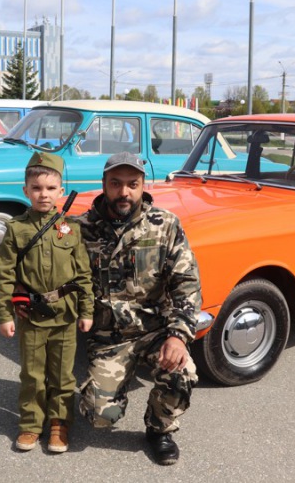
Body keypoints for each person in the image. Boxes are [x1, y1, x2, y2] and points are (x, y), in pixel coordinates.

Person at [76, 152, 202, 466]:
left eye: (132, 184)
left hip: (155, 331)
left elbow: (187, 284)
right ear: (103, 184)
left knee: (182, 373)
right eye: (116, 183)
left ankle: (159, 430)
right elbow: (49, 262)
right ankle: (104, 391)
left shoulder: (165, 225)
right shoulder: (80, 228)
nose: (124, 192)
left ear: (143, 185)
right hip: (108, 336)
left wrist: (178, 336)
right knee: (99, 415)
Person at [0, 151, 94, 454]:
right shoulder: (16, 229)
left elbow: (83, 274)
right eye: (36, 188)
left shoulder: (71, 228)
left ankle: (59, 424)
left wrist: (87, 310)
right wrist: (5, 315)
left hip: (65, 315)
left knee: (63, 375)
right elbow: (5, 275)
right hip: (32, 316)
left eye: (51, 188)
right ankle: (30, 423)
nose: (44, 194)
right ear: (25, 190)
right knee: (32, 375)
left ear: (61, 191)